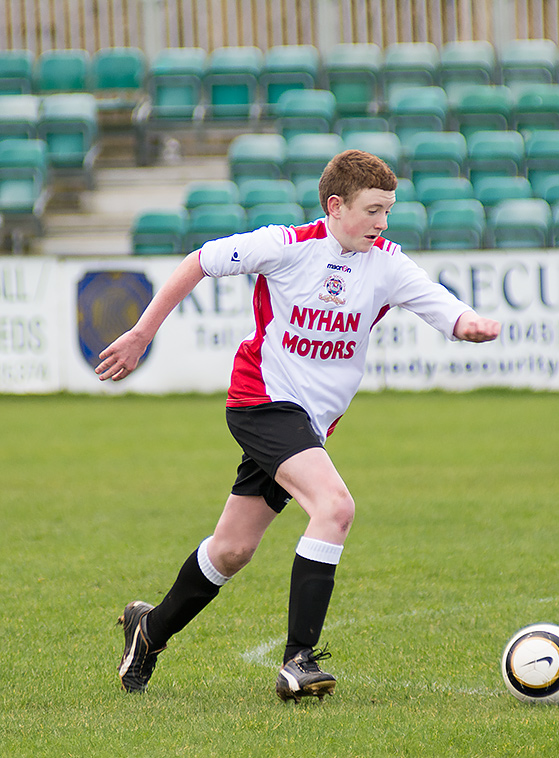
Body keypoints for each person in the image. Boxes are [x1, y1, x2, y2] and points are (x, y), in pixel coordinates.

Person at [97, 149, 500, 702]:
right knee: (335, 506)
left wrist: (467, 322)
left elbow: (438, 303)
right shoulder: (285, 246)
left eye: (389, 211)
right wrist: (143, 333)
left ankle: (150, 629)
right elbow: (198, 261)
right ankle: (298, 661)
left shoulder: (385, 262)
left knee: (233, 549)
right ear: (335, 206)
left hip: (308, 424)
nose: (383, 223)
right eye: (373, 210)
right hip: (261, 400)